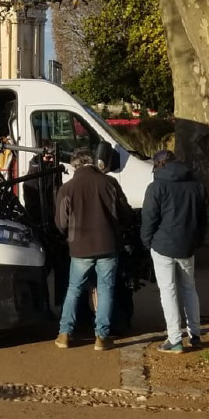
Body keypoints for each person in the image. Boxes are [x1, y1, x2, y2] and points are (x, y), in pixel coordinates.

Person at [54, 148, 132, 350]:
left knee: (74, 289)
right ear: (92, 162)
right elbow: (124, 213)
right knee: (106, 290)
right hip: (108, 245)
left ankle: (64, 333)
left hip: (79, 247)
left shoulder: (67, 188)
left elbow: (61, 222)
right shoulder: (110, 183)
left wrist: (68, 235)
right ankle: (101, 337)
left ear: (74, 165)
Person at [141, 150, 207, 353]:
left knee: (168, 291)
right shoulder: (196, 185)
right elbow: (204, 217)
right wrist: (197, 240)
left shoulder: (156, 186)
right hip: (187, 245)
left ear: (158, 165)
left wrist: (147, 241)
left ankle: (174, 338)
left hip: (163, 245)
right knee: (189, 287)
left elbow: (149, 218)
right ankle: (195, 333)